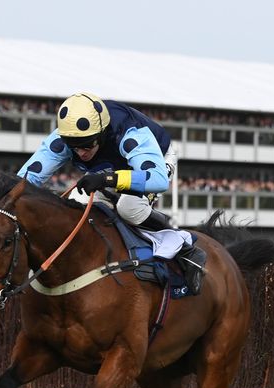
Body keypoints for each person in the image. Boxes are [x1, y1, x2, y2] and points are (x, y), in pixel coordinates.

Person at [18, 92, 206, 294]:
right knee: (74, 205)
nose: (81, 152)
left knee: (129, 207)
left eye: (88, 144)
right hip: (110, 171)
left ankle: (184, 246)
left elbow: (157, 179)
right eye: (74, 147)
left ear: (102, 133)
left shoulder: (129, 132)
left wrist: (107, 179)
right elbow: (25, 180)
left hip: (155, 164)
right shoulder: (67, 137)